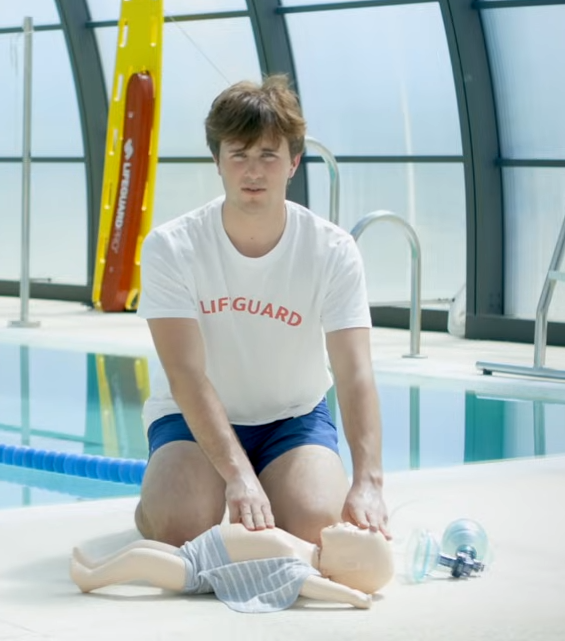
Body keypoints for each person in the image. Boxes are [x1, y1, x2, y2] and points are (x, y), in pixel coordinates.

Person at [134, 74, 390, 549]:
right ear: (218, 161)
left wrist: (369, 480)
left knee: (321, 528)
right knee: (179, 524)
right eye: (239, 154)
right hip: (188, 421)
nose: (254, 171)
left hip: (291, 419)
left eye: (268, 155)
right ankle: (175, 490)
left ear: (293, 162)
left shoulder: (331, 249)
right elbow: (185, 373)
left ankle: (279, 483)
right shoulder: (172, 246)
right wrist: (236, 473)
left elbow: (355, 372)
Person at [70, 521, 394, 613]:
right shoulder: (308, 548)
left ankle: (91, 579)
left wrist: (353, 597)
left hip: (195, 572)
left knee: (140, 560)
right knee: (142, 547)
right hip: (194, 553)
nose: (353, 525)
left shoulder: (301, 569)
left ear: (349, 562)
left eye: (358, 534)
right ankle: (98, 564)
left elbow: (316, 588)